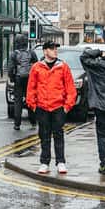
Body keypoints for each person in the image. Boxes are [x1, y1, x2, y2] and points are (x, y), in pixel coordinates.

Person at [26, 41, 76, 175]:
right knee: (44, 135)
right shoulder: (36, 67)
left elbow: (71, 89)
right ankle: (44, 162)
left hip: (58, 106)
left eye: (55, 49)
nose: (55, 51)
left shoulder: (63, 67)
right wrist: (33, 106)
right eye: (52, 49)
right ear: (45, 51)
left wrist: (66, 107)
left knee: (58, 135)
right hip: (42, 107)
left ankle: (61, 162)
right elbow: (31, 88)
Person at [7, 35, 38, 130]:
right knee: (30, 99)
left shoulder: (14, 54)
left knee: (18, 101)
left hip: (18, 79)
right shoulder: (31, 53)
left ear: (17, 43)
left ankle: (17, 124)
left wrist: (12, 79)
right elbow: (37, 65)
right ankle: (33, 121)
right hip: (29, 79)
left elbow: (10, 68)